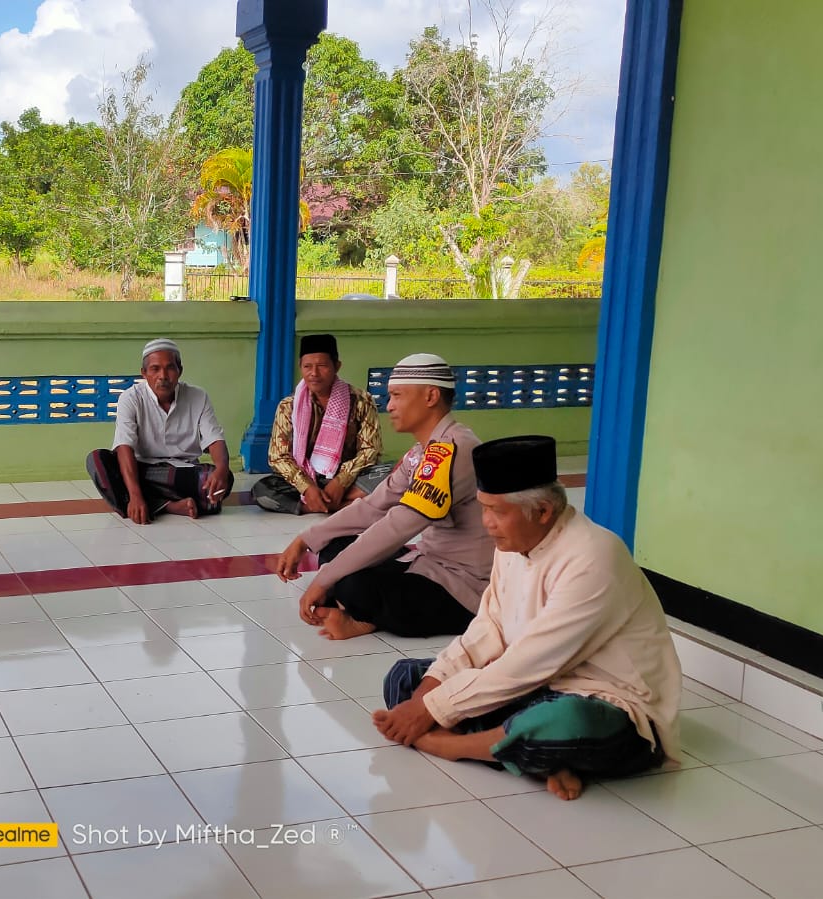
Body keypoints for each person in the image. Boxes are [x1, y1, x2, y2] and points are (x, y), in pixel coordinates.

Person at [373, 435, 683, 801]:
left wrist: (430, 713)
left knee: (560, 724)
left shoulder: (594, 556)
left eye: (497, 511)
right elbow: (488, 629)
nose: (486, 522)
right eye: (483, 508)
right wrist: (426, 696)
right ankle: (526, 754)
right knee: (407, 678)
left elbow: (531, 661)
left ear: (543, 511)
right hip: (537, 686)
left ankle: (452, 746)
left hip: (609, 705)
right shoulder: (513, 543)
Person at [275, 353, 493, 640]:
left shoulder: (453, 449)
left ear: (430, 396)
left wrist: (326, 579)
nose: (389, 406)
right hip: (426, 564)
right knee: (333, 547)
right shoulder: (421, 451)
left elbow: (398, 526)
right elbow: (374, 506)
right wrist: (306, 539)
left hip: (461, 586)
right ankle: (360, 613)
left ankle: (365, 619)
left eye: (397, 395)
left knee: (350, 583)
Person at [86, 338, 233, 524]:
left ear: (180, 370)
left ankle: (144, 500)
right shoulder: (130, 398)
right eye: (155, 369)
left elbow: (214, 439)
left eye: (170, 368)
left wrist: (221, 469)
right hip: (141, 467)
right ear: (144, 373)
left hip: (182, 472)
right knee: (97, 461)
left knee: (222, 479)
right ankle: (168, 505)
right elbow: (124, 446)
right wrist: (135, 494)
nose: (163, 375)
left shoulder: (198, 396)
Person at [254, 333, 392, 515]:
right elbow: (278, 456)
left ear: (337, 366)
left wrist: (341, 481)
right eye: (307, 367)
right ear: (300, 367)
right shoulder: (289, 406)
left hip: (349, 479)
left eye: (322, 366)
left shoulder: (360, 400)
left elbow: (371, 450)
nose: (314, 373)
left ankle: (324, 503)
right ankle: (337, 504)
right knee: (262, 490)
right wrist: (307, 487)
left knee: (391, 473)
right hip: (307, 478)